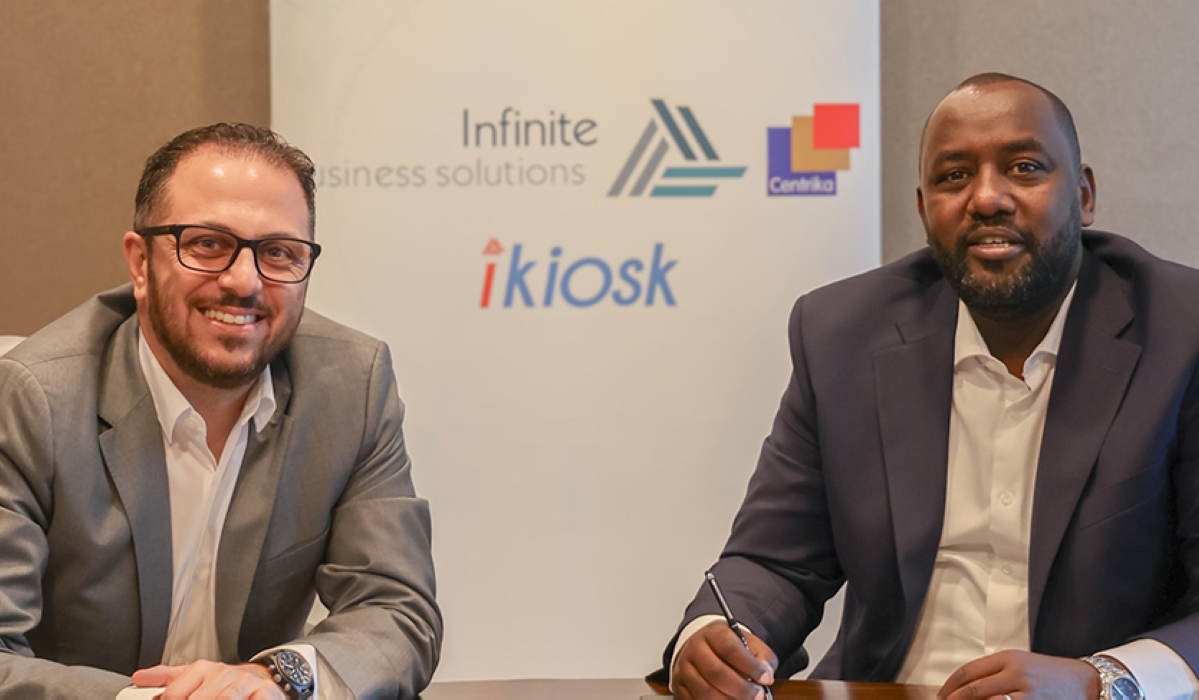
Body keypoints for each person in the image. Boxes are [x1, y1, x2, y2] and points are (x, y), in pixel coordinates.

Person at [664, 73, 1199, 700]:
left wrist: (1101, 680)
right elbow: (774, 560)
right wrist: (718, 636)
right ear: (924, 211)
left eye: (1024, 168)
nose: (987, 198)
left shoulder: (1181, 331)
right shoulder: (842, 334)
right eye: (954, 176)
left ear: (1083, 196)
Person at [0, 124, 441, 699]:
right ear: (140, 263)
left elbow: (397, 609)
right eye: (208, 244)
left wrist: (276, 680)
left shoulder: (350, 386)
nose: (243, 281)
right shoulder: (33, 398)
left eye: (278, 252)